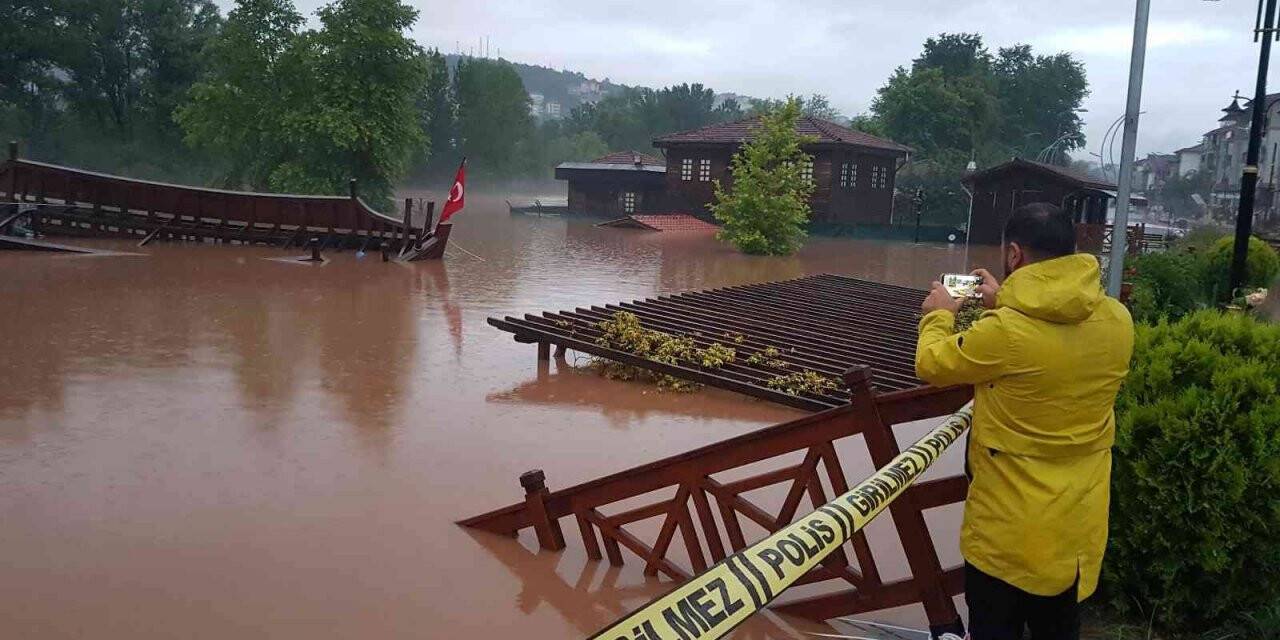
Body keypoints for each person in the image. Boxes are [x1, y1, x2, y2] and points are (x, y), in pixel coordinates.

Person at [915, 202, 1135, 640]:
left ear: (1014, 254)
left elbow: (932, 363)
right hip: (1075, 528)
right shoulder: (1117, 320)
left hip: (1009, 536)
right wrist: (1003, 298)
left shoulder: (1005, 333)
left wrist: (939, 313)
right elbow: (1055, 341)